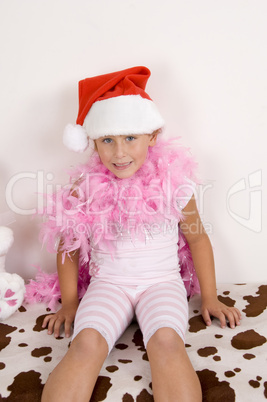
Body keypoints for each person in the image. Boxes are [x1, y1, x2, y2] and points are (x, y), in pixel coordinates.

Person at [39, 66, 241, 402]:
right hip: (109, 286)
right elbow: (69, 246)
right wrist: (71, 303)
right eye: (107, 140)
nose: (119, 152)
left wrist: (210, 296)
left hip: (161, 282)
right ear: (93, 142)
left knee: (167, 342)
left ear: (152, 136)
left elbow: (197, 239)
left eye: (130, 138)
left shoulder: (175, 186)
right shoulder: (83, 189)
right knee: (85, 343)